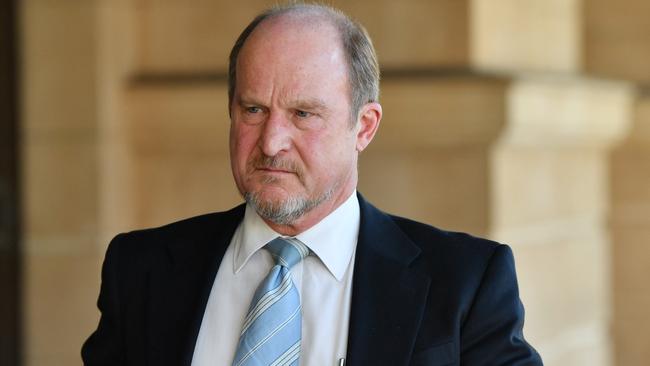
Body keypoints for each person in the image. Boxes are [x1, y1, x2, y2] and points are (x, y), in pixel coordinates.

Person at [82, 3, 542, 366]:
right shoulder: (139, 270)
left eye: (303, 114)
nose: (272, 141)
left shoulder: (465, 283)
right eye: (253, 110)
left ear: (364, 126)